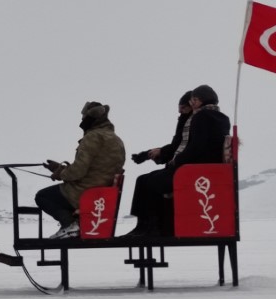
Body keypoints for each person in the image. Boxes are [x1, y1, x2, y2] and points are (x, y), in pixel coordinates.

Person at [126, 84, 231, 237]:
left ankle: (149, 227)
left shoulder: (201, 117)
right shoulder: (222, 118)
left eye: (194, 99)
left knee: (146, 182)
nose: (192, 103)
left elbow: (196, 146)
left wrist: (177, 161)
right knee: (149, 180)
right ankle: (154, 227)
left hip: (195, 172)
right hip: (206, 170)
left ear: (201, 100)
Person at [36, 101, 126, 239]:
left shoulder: (93, 137)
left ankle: (70, 225)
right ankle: (73, 224)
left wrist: (61, 174)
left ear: (91, 118)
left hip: (86, 191)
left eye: (83, 117)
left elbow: (79, 171)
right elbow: (96, 168)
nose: (82, 121)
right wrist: (60, 169)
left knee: (43, 196)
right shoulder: (115, 139)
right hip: (100, 190)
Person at [131, 91, 193, 167]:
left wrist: (161, 151)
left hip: (187, 166)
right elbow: (176, 146)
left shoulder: (192, 121)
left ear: (192, 106)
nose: (179, 111)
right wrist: (148, 154)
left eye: (183, 107)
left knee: (144, 179)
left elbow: (181, 146)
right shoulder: (184, 120)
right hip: (182, 164)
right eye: (179, 108)